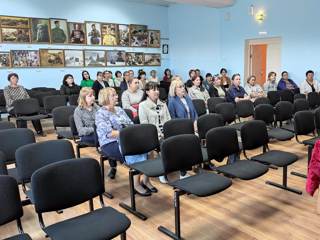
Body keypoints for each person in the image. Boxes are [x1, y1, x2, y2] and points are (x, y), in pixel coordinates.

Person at [95, 88, 152, 195]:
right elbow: (110, 133)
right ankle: (136, 185)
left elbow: (130, 124)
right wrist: (127, 134)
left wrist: (131, 133)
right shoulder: (100, 113)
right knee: (134, 151)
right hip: (109, 143)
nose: (117, 97)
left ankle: (145, 180)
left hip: (126, 137)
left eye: (116, 94)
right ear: (106, 98)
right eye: (113, 95)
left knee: (147, 147)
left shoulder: (119, 109)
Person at [139, 82, 171, 183]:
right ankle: (161, 171)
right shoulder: (143, 105)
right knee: (165, 143)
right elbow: (145, 126)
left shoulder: (163, 104)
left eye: (157, 89)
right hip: (153, 135)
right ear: (147, 92)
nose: (157, 91)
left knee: (179, 140)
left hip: (165, 132)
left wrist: (167, 132)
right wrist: (160, 135)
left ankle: (181, 171)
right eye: (154, 90)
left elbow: (168, 120)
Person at [168, 77, 198, 179]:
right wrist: (188, 127)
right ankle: (183, 172)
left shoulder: (188, 98)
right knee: (185, 145)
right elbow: (173, 119)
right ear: (174, 89)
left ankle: (199, 164)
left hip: (192, 127)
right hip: (181, 129)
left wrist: (195, 122)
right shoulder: (172, 101)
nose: (183, 88)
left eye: (183, 86)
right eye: (180, 87)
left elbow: (194, 113)